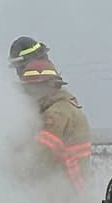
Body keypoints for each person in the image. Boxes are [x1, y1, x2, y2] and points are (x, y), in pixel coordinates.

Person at [19, 58, 92, 194]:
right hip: (76, 186)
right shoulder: (67, 107)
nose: (29, 95)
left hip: (66, 192)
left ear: (48, 87)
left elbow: (41, 156)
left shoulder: (55, 115)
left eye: (32, 89)